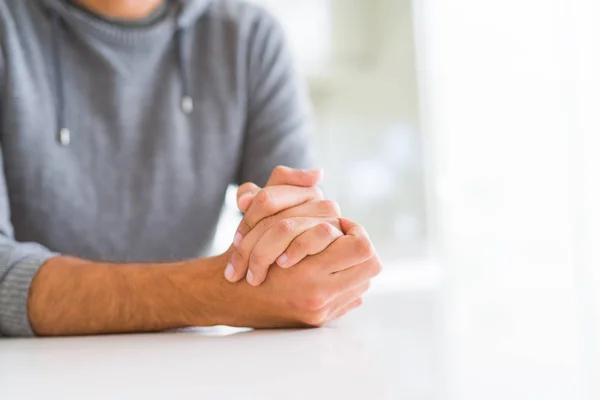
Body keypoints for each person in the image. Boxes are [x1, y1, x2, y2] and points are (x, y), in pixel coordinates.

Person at [0, 0, 381, 337]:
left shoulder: (247, 38)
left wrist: (305, 244)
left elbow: (298, 243)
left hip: (186, 366)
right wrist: (217, 292)